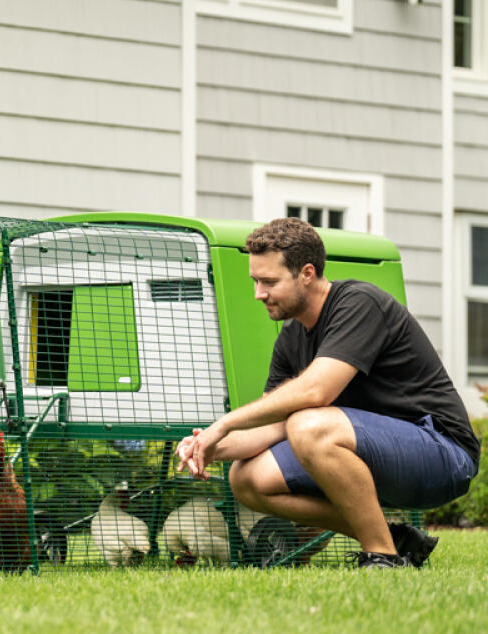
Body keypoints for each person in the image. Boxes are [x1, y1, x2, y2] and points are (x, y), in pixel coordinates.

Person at [177, 217, 478, 569]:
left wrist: (224, 423)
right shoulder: (291, 337)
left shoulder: (359, 303)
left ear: (306, 273)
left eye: (269, 281)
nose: (259, 293)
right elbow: (275, 425)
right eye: (255, 280)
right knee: (246, 478)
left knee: (309, 425)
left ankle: (382, 557)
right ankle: (395, 539)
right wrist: (210, 446)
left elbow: (316, 390)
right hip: (371, 452)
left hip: (440, 452)